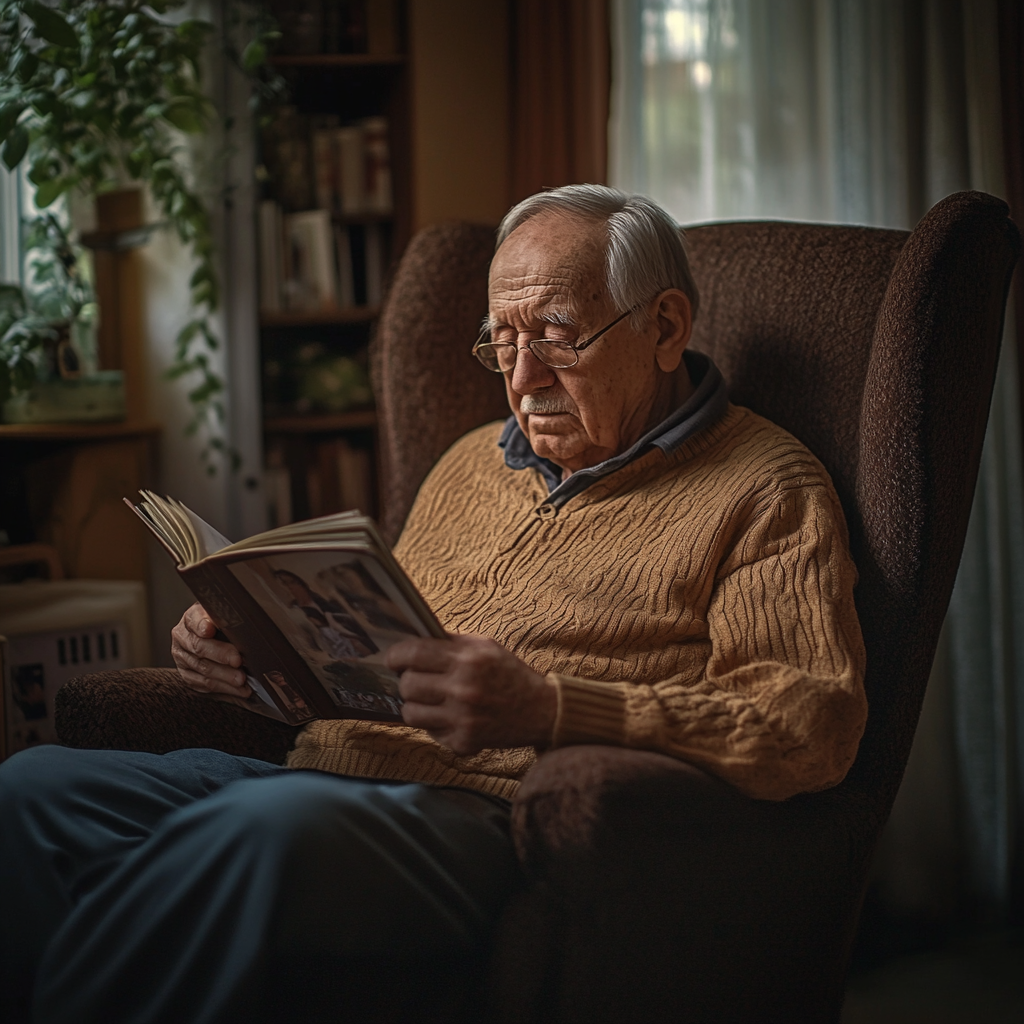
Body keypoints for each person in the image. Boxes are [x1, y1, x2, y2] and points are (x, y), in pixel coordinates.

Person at [0, 185, 867, 1024]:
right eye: (502, 341)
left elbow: (805, 724)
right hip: (321, 776)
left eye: (558, 337)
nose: (524, 379)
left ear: (666, 327)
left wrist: (551, 706)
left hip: (487, 820)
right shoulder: (466, 463)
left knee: (256, 828)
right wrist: (246, 665)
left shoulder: (764, 486)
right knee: (34, 789)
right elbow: (371, 666)